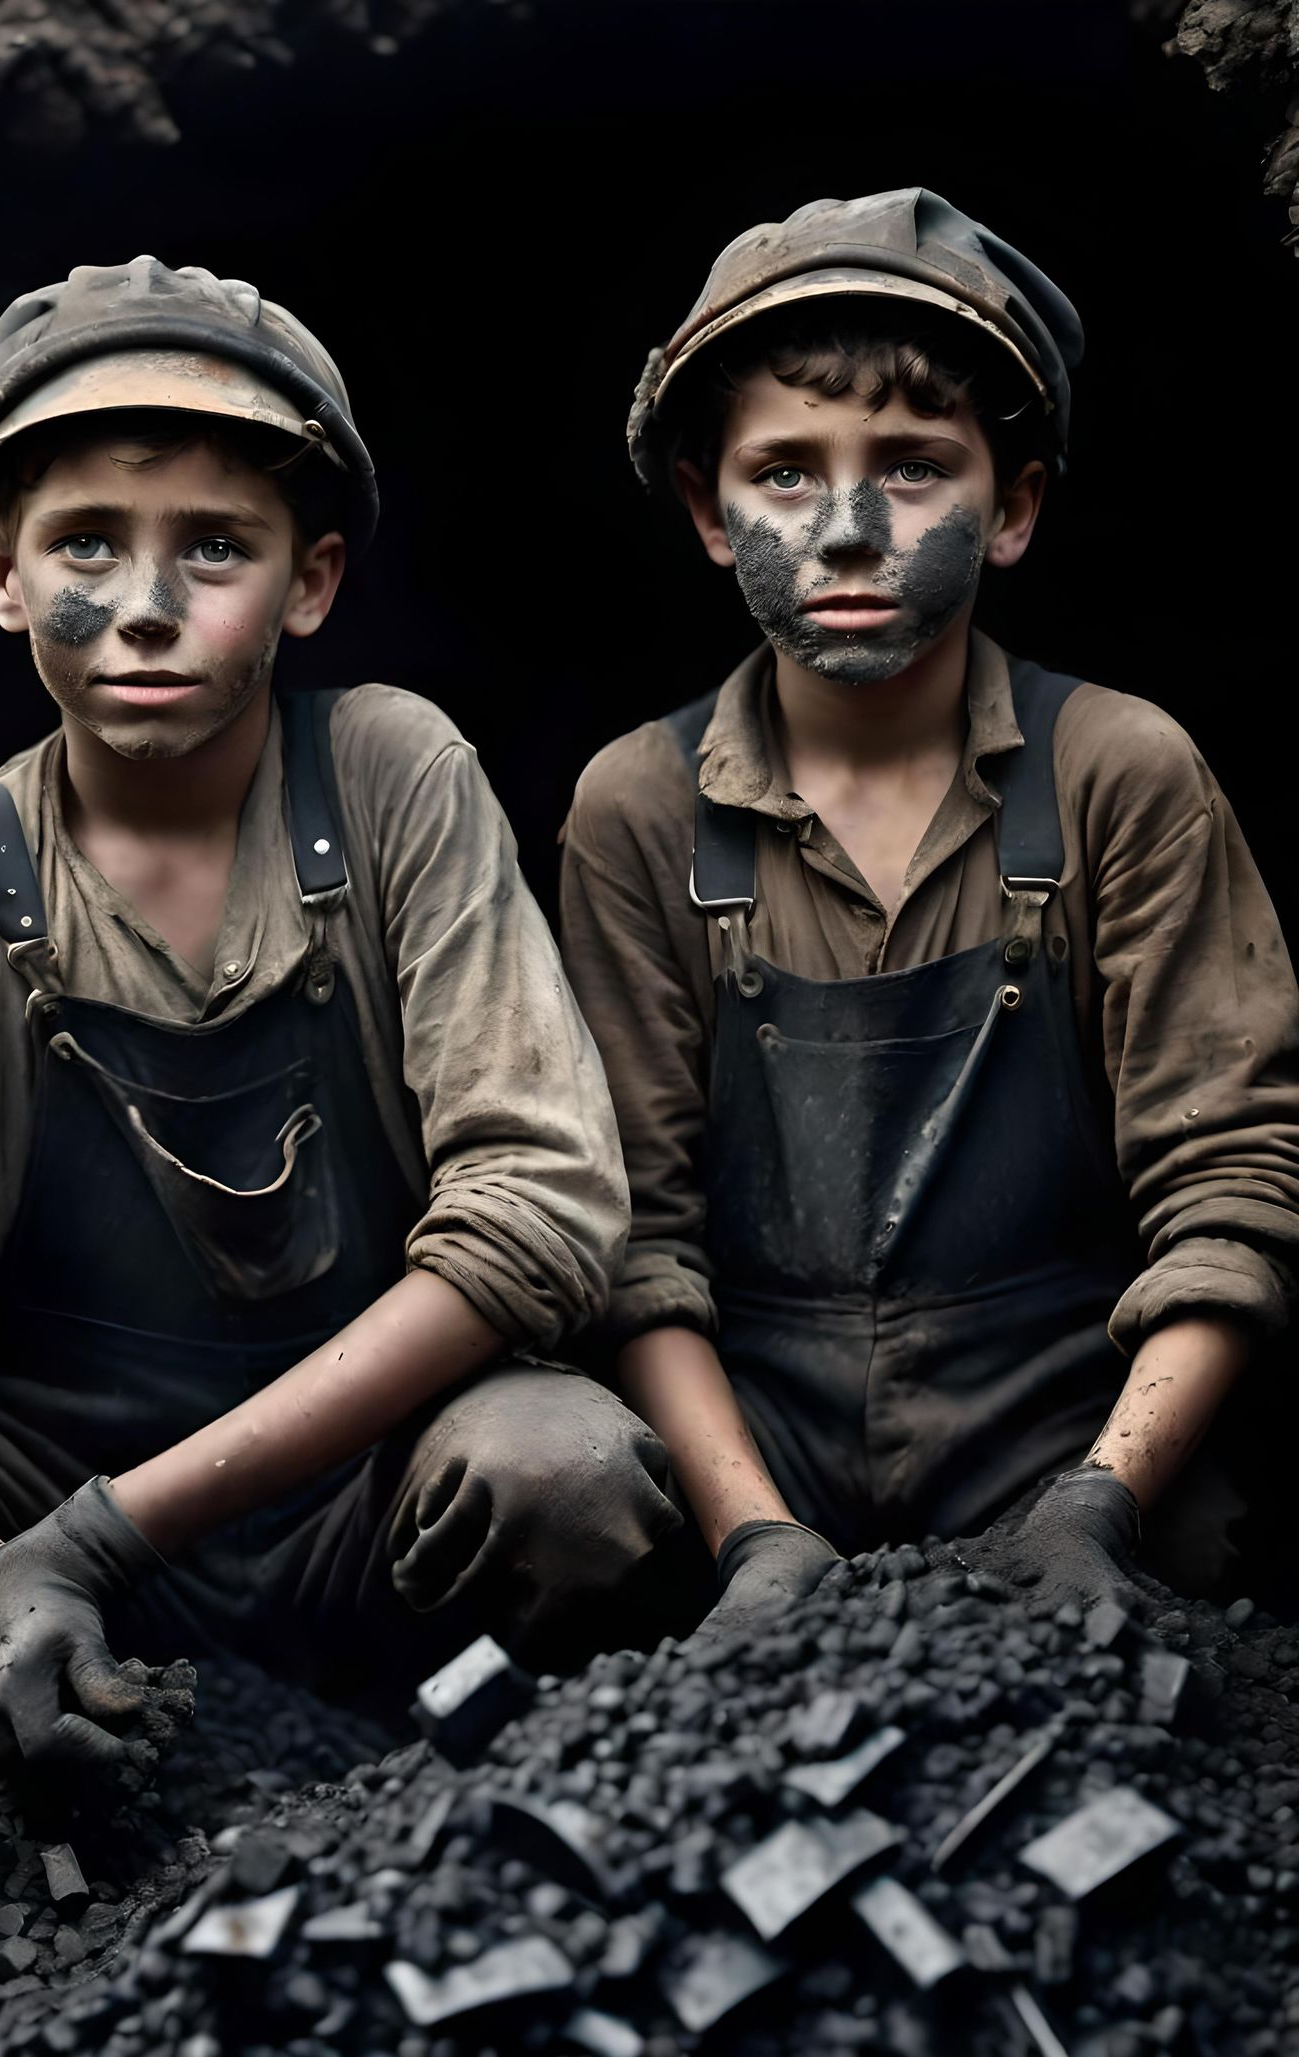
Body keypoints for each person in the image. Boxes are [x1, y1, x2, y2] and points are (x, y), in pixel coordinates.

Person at [0, 257, 677, 1772]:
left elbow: (540, 1208)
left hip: (368, 1486)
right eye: (87, 542)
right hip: (31, 1480)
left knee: (569, 1472)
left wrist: (95, 1542)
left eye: (215, 548)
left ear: (313, 580)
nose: (147, 609)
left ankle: (441, 1767)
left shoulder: (388, 773)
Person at [559, 190, 1299, 1637]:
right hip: (750, 1428)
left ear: (1012, 506)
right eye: (783, 475)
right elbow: (633, 1238)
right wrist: (754, 1536)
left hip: (1058, 1412)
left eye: (911, 469)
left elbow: (1230, 1189)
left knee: (1224, 1557)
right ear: (710, 512)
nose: (845, 530)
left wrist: (1102, 1499)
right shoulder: (636, 808)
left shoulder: (1114, 770)